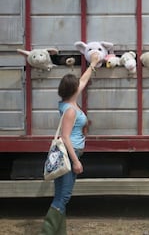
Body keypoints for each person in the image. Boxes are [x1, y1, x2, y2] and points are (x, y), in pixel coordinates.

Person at [40, 53, 100, 234]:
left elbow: (83, 80)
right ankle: (47, 231)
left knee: (60, 196)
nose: (80, 86)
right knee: (63, 197)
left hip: (70, 152)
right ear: (73, 90)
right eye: (77, 86)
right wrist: (76, 161)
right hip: (69, 153)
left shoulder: (68, 102)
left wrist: (94, 64)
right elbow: (65, 137)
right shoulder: (70, 111)